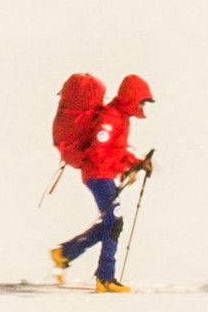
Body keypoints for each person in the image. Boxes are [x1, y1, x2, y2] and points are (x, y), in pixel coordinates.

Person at [50, 73, 155, 292]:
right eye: (142, 101)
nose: (143, 106)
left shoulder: (120, 117)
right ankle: (105, 278)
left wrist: (136, 163)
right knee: (114, 222)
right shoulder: (111, 117)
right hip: (98, 175)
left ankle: (65, 253)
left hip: (103, 174)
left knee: (111, 222)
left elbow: (115, 150)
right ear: (132, 98)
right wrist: (128, 166)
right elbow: (99, 153)